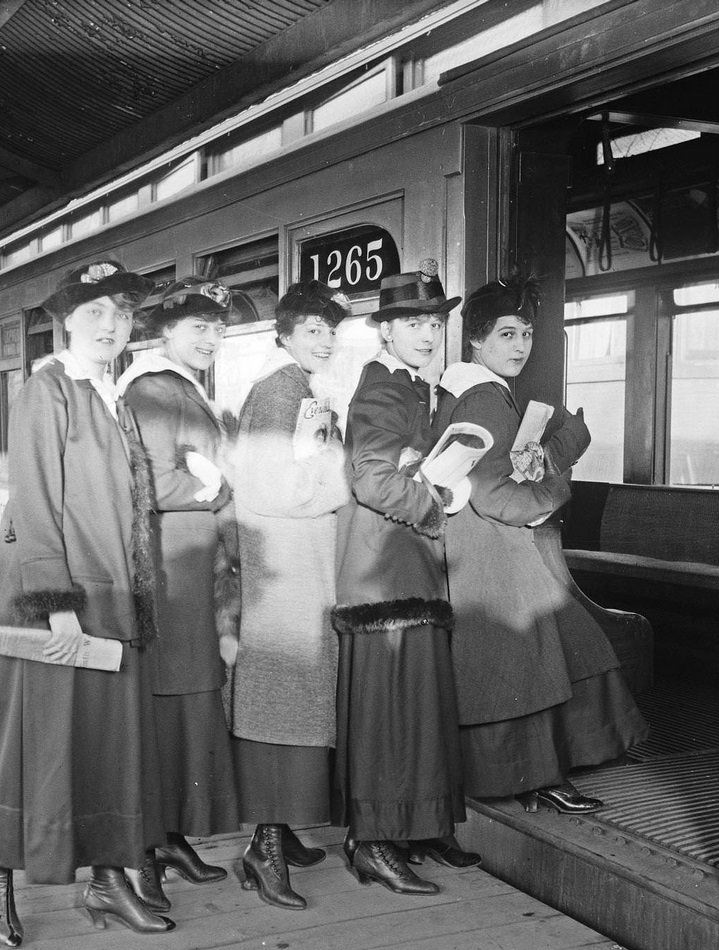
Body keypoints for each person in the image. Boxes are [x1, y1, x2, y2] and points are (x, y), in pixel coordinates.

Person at [0, 260, 172, 946]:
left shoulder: (109, 395)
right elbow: (33, 502)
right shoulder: (47, 390)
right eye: (95, 313)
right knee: (32, 745)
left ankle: (109, 882)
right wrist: (57, 605)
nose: (110, 324)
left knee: (107, 744)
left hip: (109, 596)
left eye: (120, 312)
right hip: (52, 602)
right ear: (66, 321)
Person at [431, 276, 648, 817]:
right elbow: (497, 495)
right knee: (527, 666)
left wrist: (544, 454)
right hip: (492, 547)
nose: (521, 346)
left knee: (542, 656)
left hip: (477, 548)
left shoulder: (467, 389)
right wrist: (558, 474)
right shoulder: (483, 398)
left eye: (526, 334)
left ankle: (540, 772)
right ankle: (537, 778)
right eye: (507, 334)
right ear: (477, 341)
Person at [332, 259, 476, 897]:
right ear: (385, 332)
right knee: (390, 711)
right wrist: (438, 503)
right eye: (410, 322)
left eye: (433, 322)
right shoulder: (384, 391)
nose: (425, 332)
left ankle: (419, 827)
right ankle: (374, 841)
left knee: (416, 705)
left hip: (411, 569)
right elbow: (370, 477)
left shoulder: (424, 389)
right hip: (385, 572)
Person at [118, 276, 244, 911]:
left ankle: (168, 836)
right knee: (169, 702)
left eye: (218, 327)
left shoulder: (178, 388)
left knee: (186, 700)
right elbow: (155, 486)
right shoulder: (153, 391)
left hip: (193, 568)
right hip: (172, 569)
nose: (211, 337)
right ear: (165, 332)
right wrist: (222, 490)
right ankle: (147, 844)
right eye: (198, 326)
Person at [229, 281, 352, 910]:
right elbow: (279, 489)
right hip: (286, 567)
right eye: (312, 330)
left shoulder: (296, 388)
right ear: (284, 336)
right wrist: (341, 484)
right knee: (285, 696)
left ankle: (281, 831)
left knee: (297, 694)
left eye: (331, 331)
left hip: (295, 566)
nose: (325, 341)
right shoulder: (282, 393)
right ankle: (265, 846)